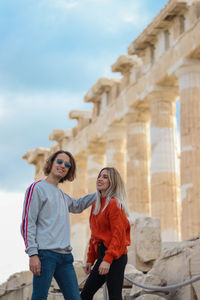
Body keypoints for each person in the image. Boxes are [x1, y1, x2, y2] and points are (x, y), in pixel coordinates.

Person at [21, 150, 96, 300]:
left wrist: (99, 193)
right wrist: (33, 254)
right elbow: (27, 223)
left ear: (69, 170)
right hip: (45, 255)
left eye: (67, 165)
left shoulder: (61, 195)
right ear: (51, 163)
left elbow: (77, 205)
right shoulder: (36, 188)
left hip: (65, 257)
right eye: (59, 162)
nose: (63, 166)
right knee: (39, 297)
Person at [81, 167, 131, 300]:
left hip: (116, 256)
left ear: (112, 182)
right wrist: (90, 259)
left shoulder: (114, 204)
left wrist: (108, 260)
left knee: (114, 296)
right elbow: (95, 235)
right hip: (103, 254)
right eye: (99, 176)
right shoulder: (96, 205)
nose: (100, 179)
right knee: (85, 295)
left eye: (105, 177)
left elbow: (118, 236)